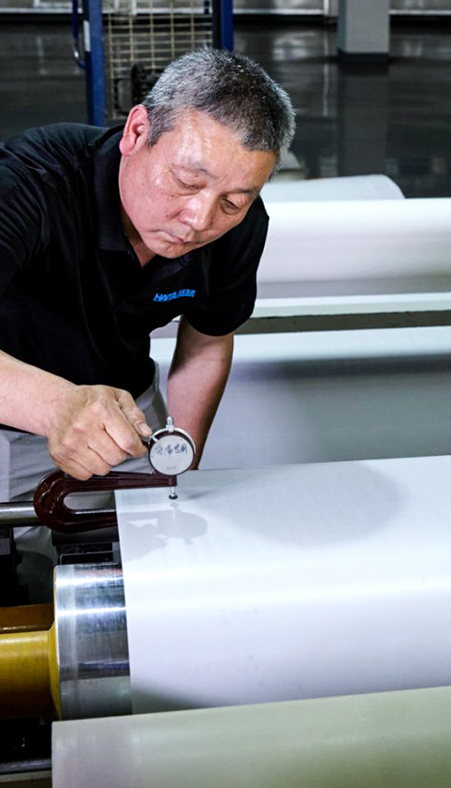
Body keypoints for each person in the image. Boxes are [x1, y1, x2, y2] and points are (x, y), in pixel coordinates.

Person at [0, 49, 295, 599]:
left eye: (233, 201)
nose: (200, 220)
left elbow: (207, 341)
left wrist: (178, 463)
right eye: (186, 181)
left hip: (127, 418)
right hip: (10, 410)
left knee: (137, 588)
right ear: (137, 131)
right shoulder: (30, 183)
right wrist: (56, 407)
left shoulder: (239, 227)